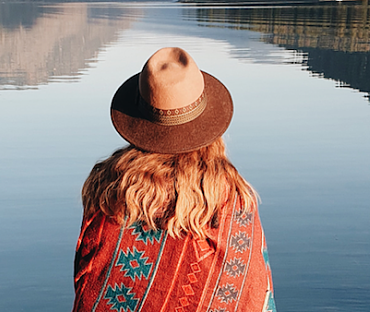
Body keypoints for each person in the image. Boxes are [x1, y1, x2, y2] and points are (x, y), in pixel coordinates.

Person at [73, 47, 276, 312]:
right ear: (208, 123)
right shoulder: (230, 196)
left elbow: (91, 273)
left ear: (142, 120)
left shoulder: (109, 189)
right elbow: (252, 292)